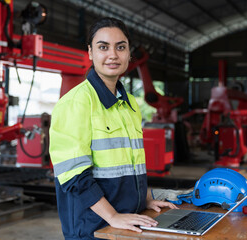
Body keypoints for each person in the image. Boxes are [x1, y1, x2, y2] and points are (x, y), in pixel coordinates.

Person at [49, 17, 177, 239]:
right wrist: (113, 216)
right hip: (94, 228)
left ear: (129, 54)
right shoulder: (76, 103)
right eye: (103, 47)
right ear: (90, 53)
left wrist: (143, 198)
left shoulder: (130, 104)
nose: (113, 55)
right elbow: (73, 174)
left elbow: (130, 164)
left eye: (120, 47)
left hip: (127, 222)